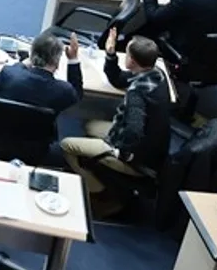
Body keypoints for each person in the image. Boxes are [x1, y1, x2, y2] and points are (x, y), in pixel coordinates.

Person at [60, 30, 171, 216]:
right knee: (90, 126)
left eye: (126, 53)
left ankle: (99, 192)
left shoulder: (137, 94)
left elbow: (134, 131)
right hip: (152, 147)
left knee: (67, 145)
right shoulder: (155, 74)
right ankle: (97, 167)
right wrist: (110, 54)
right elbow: (119, 79)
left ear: (132, 61)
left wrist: (120, 152)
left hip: (139, 160)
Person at [0, 31, 84, 115]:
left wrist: (25, 62)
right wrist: (73, 59)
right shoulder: (63, 90)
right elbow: (77, 95)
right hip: (39, 128)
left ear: (32, 55)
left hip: (2, 126)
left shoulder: (8, 73)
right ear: (57, 60)